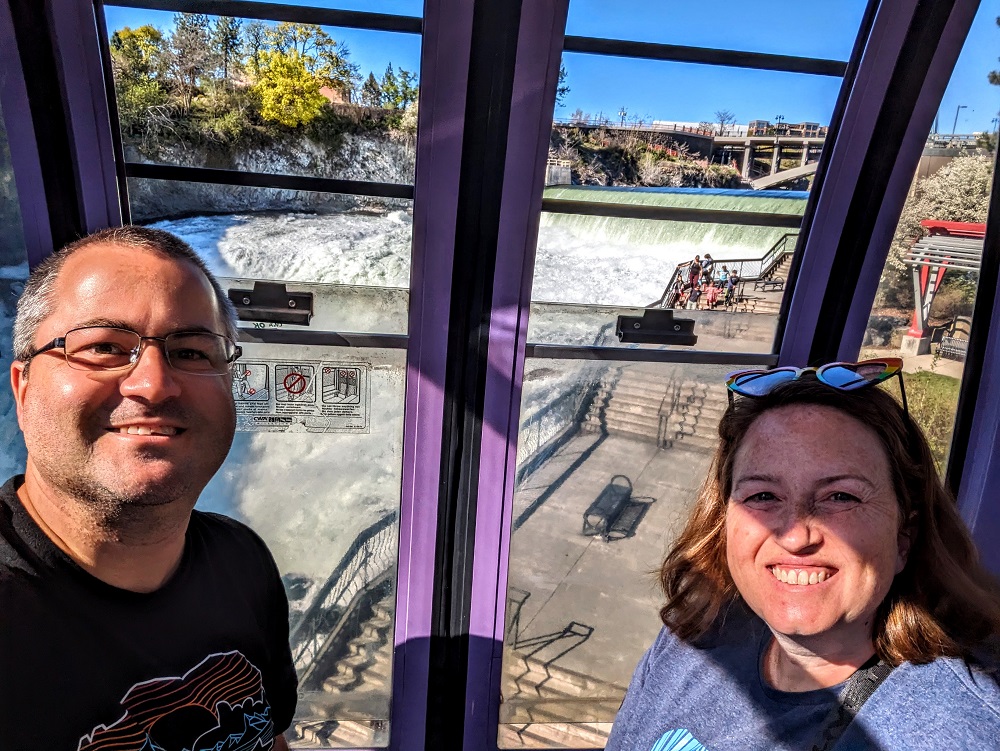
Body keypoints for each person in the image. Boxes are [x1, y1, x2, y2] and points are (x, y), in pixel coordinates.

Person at [0, 227, 297, 749]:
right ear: (23, 390)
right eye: (104, 347)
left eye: (192, 352)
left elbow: (268, 737)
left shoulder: (241, 559)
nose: (154, 383)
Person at [607, 361, 1000, 751]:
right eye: (763, 495)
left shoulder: (957, 730)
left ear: (904, 538)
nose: (795, 535)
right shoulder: (696, 632)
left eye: (840, 497)